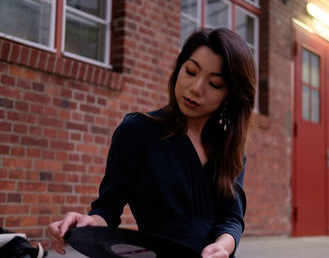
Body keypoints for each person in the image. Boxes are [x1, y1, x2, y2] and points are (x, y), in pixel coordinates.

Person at [48, 27, 256, 258]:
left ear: (231, 94)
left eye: (215, 84)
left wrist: (223, 246)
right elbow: (107, 209)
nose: (196, 88)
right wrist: (87, 223)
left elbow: (231, 218)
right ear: (179, 69)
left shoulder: (229, 149)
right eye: (190, 71)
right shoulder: (138, 131)